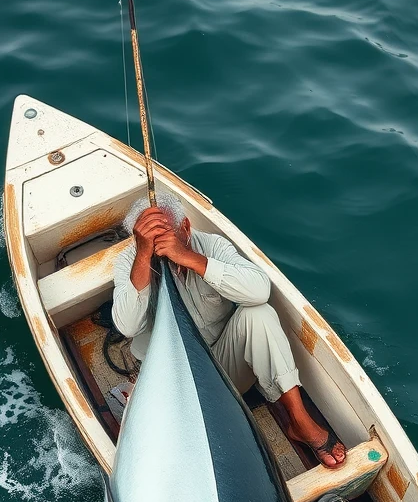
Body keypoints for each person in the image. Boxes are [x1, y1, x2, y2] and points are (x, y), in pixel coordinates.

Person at [112, 192, 346, 468]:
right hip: (173, 383)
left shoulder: (211, 245)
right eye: (152, 242)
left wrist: (188, 257)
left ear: (186, 227)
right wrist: (143, 256)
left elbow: (260, 290)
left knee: (259, 313)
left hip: (223, 367)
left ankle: (299, 419)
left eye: (168, 237)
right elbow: (126, 326)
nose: (161, 250)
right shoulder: (130, 261)